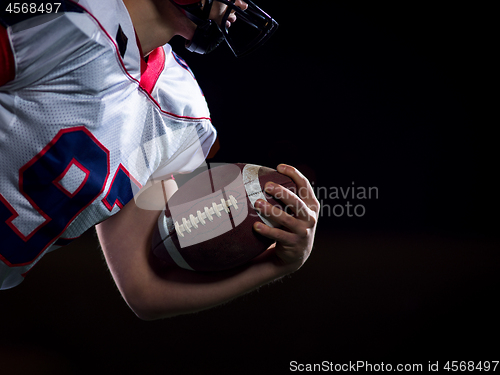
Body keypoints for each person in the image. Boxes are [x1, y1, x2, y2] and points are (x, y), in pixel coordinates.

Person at [0, 0, 319, 319]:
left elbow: (143, 286)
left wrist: (276, 264)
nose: (241, 4)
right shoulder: (64, 16)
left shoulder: (183, 107)